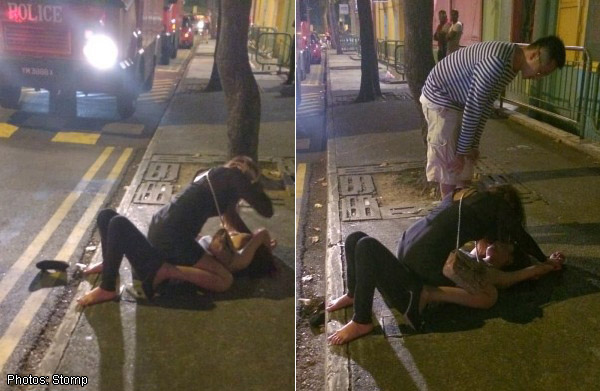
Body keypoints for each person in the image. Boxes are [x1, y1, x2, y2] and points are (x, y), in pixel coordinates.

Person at [326, 185, 565, 345]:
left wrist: (542, 266)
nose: (498, 243)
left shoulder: (467, 196)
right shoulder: (496, 209)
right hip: (420, 262)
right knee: (357, 239)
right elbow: (522, 236)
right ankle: (356, 300)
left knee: (362, 242)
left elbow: (521, 271)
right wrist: (544, 258)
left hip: (409, 261)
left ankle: (361, 317)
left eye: (505, 248)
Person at [78, 156, 275, 306]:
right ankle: (160, 272)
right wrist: (253, 187)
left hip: (161, 227)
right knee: (224, 280)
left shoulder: (211, 178)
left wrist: (253, 242)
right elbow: (267, 209)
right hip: (175, 237)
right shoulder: (233, 176)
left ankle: (109, 264)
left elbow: (233, 220)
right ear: (243, 173)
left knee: (107, 215)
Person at [420, 35, 566, 197]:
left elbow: (485, 104)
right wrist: (462, 152)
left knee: (465, 168)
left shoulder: (511, 64)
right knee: (450, 168)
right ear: (534, 55)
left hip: (460, 101)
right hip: (440, 98)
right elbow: (474, 107)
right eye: (539, 72)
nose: (536, 78)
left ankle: (461, 211)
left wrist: (473, 146)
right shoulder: (496, 63)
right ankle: (449, 215)